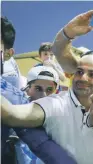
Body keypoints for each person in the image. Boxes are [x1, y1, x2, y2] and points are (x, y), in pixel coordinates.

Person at [1, 51, 93, 164]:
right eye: (79, 72)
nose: (83, 78)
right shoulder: (55, 103)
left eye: (92, 74)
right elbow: (11, 115)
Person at [1, 16, 77, 164]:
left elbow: (42, 144)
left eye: (50, 89)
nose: (43, 94)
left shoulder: (15, 100)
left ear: (8, 54)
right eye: (38, 88)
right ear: (27, 89)